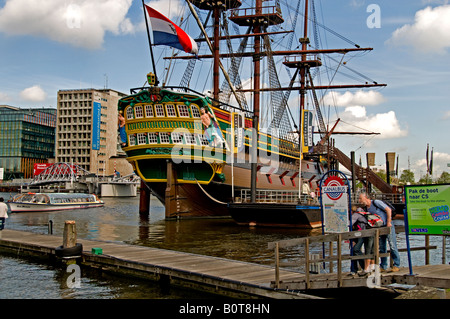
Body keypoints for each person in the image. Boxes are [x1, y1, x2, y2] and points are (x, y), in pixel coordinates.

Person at [359, 192, 400, 272]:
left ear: (366, 197)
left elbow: (388, 209)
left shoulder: (376, 203)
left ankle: (396, 264)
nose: (359, 200)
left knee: (392, 245)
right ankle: (383, 265)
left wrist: (389, 222)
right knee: (382, 247)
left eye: (360, 198)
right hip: (379, 228)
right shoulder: (366, 208)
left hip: (387, 226)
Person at [350, 205, 374, 276]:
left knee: (355, 249)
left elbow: (349, 224)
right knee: (354, 251)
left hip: (361, 234)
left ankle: (364, 266)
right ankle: (354, 269)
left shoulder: (356, 215)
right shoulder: (362, 213)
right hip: (359, 234)